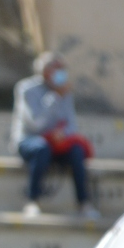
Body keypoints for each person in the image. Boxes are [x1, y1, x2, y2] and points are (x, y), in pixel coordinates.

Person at [10, 52, 100, 219]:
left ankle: (84, 204)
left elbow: (71, 124)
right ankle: (32, 202)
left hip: (57, 144)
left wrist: (63, 134)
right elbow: (35, 123)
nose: (62, 72)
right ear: (45, 71)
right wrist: (55, 97)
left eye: (63, 69)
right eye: (58, 68)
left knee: (76, 151)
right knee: (41, 148)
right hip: (29, 142)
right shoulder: (27, 89)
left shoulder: (65, 91)